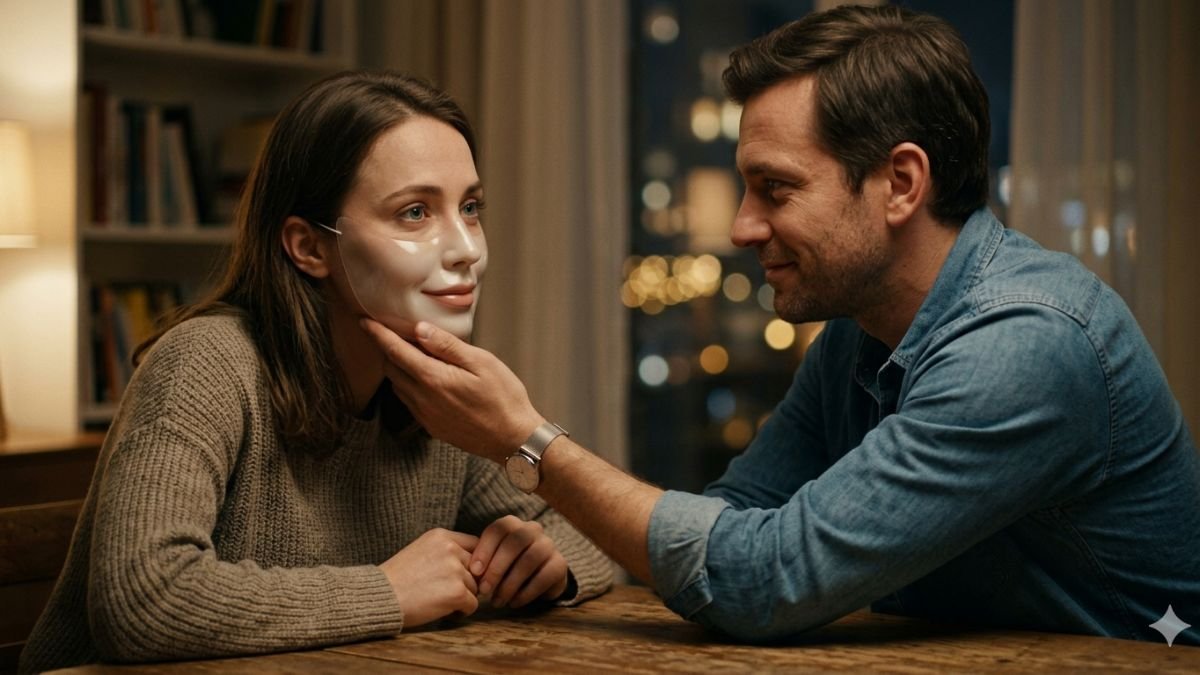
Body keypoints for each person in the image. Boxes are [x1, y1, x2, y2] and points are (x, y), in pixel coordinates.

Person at [362, 4, 1200, 646]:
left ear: (901, 183)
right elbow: (734, 516)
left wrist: (530, 442)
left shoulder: (1025, 346)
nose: (741, 227)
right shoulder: (861, 333)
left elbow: (760, 578)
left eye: (777, 188)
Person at [20, 71, 611, 673]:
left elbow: (597, 536)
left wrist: (547, 562)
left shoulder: (433, 389)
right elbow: (142, 600)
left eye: (470, 208)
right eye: (414, 212)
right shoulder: (205, 364)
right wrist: (388, 593)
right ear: (308, 247)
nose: (467, 249)